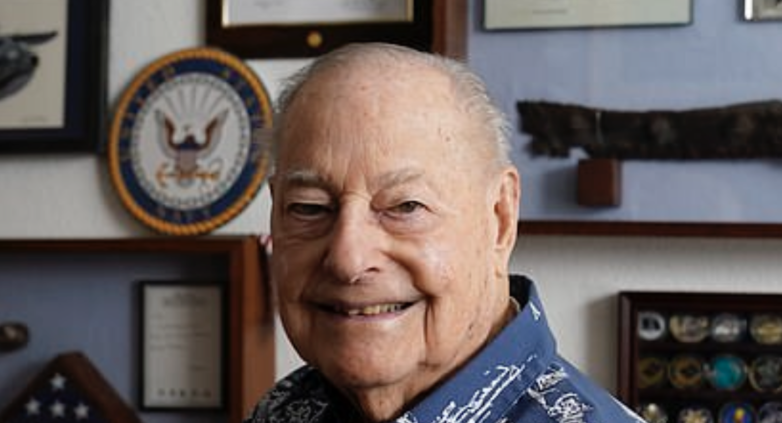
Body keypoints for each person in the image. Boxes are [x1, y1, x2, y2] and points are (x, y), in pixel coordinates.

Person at [247, 42, 644, 423]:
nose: (348, 259)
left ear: (500, 218)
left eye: (405, 207)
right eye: (309, 208)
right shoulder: (283, 409)